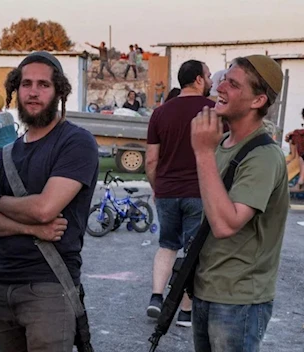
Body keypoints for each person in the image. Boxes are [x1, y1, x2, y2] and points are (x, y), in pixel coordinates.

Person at [0, 51, 99, 352]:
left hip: (49, 288)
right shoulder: (7, 154)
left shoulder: (75, 142)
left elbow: (45, 209)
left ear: (59, 91)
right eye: (26, 83)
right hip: (1, 286)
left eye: (43, 84)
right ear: (15, 90)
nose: (33, 91)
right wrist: (31, 229)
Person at [190, 55, 288, 351]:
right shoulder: (221, 145)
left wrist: (202, 153)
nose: (220, 87)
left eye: (232, 84)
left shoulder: (264, 156)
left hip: (240, 300)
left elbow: (225, 224)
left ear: (258, 100)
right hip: (207, 290)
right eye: (223, 79)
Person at [145, 59, 214, 327]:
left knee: (167, 245)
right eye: (208, 75)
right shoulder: (212, 111)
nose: (210, 81)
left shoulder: (160, 113)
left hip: (167, 191)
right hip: (200, 191)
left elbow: (151, 161)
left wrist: (157, 187)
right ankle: (185, 311)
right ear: (198, 79)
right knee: (192, 249)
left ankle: (156, 298)